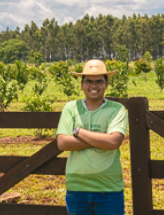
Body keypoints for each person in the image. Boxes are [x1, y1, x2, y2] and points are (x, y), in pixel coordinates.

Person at [56, 59, 128, 215]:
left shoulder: (117, 110)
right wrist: (101, 139)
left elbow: (113, 142)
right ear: (81, 84)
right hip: (76, 189)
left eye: (99, 81)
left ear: (106, 84)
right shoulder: (71, 108)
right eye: (89, 81)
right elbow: (62, 142)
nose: (94, 86)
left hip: (108, 189)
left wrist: (78, 132)